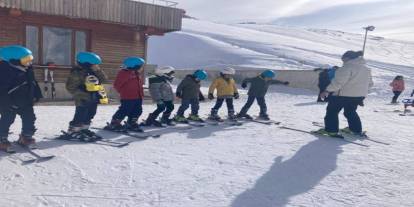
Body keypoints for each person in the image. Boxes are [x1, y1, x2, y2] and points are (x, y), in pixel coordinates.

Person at [317, 50, 373, 137]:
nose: (343, 61)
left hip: (343, 95)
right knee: (350, 111)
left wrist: (327, 90)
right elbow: (370, 84)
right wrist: (361, 91)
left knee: (332, 111)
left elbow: (338, 83)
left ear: (348, 58)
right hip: (359, 96)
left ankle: (331, 130)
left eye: (343, 59)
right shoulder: (366, 69)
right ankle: (355, 129)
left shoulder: (346, 67)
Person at [0, 45, 42, 151]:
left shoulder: (27, 70)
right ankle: (2, 139)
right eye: (26, 60)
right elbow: (2, 90)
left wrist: (37, 94)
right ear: (14, 60)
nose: (29, 63)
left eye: (30, 60)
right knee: (7, 119)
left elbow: (33, 83)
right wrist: (6, 103)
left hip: (25, 101)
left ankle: (26, 137)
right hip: (9, 102)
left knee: (30, 117)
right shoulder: (4, 71)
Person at [66, 52, 108, 140]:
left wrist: (98, 70)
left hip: (94, 97)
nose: (96, 66)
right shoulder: (77, 72)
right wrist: (82, 92)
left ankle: (84, 129)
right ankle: (73, 130)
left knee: (91, 113)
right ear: (87, 64)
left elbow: (104, 79)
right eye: (94, 64)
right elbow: (70, 87)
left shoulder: (94, 71)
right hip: (82, 98)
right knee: (81, 114)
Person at [104, 57, 145, 132]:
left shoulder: (137, 74)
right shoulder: (124, 73)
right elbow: (117, 85)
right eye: (141, 66)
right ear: (135, 66)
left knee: (138, 110)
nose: (142, 68)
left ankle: (131, 122)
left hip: (138, 96)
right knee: (125, 110)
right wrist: (123, 91)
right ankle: (115, 123)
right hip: (128, 96)